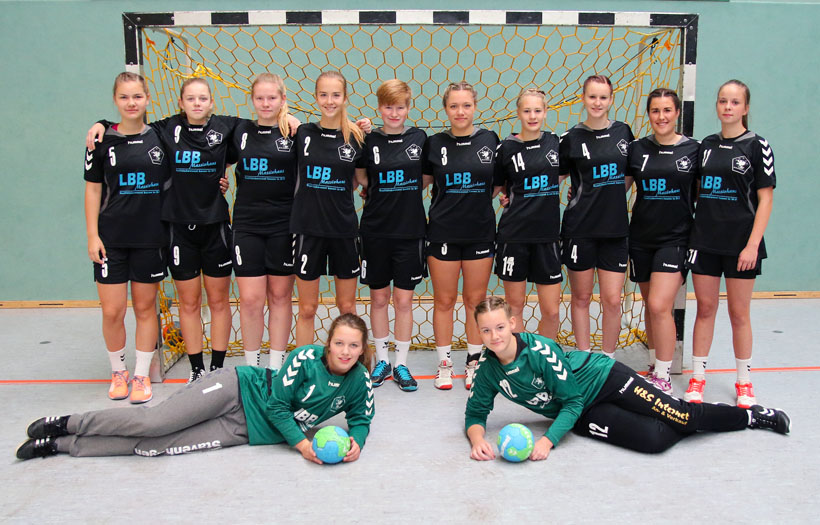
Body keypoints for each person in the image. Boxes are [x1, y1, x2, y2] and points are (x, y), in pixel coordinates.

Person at [16, 314, 375, 463]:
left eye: (353, 346)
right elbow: (278, 408)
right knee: (154, 424)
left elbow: (361, 418)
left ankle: (61, 445)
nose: (345, 352)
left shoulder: (359, 380)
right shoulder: (304, 358)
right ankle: (68, 423)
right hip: (238, 389)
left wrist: (356, 441)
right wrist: (303, 445)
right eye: (339, 343)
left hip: (245, 429)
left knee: (154, 447)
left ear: (362, 350)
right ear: (329, 344)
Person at [465, 297, 789, 461]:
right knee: (653, 441)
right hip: (582, 412)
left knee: (682, 416)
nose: (495, 336)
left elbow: (572, 399)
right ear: (479, 332)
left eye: (500, 327)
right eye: (486, 330)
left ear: (512, 324)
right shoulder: (488, 369)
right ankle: (677, 417)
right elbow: (475, 414)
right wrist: (478, 440)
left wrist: (548, 441)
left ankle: (751, 416)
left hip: (605, 379)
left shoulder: (540, 351)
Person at [88, 78, 241, 383]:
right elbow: (128, 126)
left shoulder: (227, 128)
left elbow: (259, 128)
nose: (197, 103)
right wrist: (101, 123)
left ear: (211, 102)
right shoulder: (163, 130)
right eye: (190, 98)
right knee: (189, 302)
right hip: (178, 230)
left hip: (216, 227)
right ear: (180, 103)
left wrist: (287, 118)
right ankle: (196, 369)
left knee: (219, 301)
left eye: (203, 98)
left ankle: (217, 367)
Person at [685, 80, 776, 408]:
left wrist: (752, 245)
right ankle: (698, 378)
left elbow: (766, 200)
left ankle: (744, 382)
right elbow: (694, 190)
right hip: (705, 241)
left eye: (735, 102)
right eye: (723, 101)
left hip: (741, 245)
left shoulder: (757, 145)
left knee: (739, 313)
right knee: (705, 309)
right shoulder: (706, 146)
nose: (728, 107)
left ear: (745, 108)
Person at [83, 72, 169, 404]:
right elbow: (93, 190)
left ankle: (141, 375)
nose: (131, 103)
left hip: (150, 237)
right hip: (111, 239)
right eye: (124, 97)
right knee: (112, 311)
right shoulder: (101, 141)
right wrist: (93, 235)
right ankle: (118, 372)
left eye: (137, 96)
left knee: (146, 308)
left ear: (147, 98)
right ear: (115, 100)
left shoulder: (160, 135)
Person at [423, 81, 504, 391]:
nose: (460, 111)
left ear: (475, 107)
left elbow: (499, 183)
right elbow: (421, 182)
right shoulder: (434, 143)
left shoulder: (489, 140)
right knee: (444, 300)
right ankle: (444, 364)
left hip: (479, 233)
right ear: (445, 109)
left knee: (475, 301)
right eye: (454, 106)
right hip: (443, 231)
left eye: (466, 105)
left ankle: (473, 362)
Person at [625, 88, 699, 394]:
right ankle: (655, 364)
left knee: (659, 305)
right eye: (655, 110)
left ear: (677, 113)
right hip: (641, 238)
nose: (661, 116)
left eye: (667, 110)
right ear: (649, 114)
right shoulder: (637, 149)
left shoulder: (693, 150)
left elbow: (704, 194)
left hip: (676, 240)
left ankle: (664, 376)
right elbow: (617, 188)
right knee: (649, 305)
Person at [355, 79, 427, 391]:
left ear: (408, 108)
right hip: (375, 230)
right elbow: (361, 177)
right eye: (388, 107)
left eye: (400, 107)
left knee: (404, 300)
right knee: (379, 298)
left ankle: (401, 364)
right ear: (379, 108)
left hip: (410, 231)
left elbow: (426, 177)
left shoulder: (420, 138)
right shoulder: (368, 140)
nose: (394, 113)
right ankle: (382, 360)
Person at [559, 75, 634, 358]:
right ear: (583, 98)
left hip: (615, 230)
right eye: (592, 96)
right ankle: (583, 357)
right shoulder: (570, 138)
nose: (598, 102)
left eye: (603, 97)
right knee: (581, 297)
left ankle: (607, 359)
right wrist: (509, 193)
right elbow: (553, 177)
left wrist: (610, 194)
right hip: (580, 229)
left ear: (611, 99)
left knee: (612, 300)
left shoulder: (624, 132)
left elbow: (630, 173)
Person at [227, 74, 298, 371]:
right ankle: (253, 369)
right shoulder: (239, 130)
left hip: (284, 225)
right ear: (252, 100)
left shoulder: (296, 133)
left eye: (272, 97)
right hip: (247, 226)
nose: (266, 103)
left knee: (280, 297)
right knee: (251, 300)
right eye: (260, 98)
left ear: (283, 99)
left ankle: (275, 368)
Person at [291, 71, 366, 349]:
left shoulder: (357, 137)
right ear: (316, 97)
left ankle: (353, 363)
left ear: (345, 98)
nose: (329, 100)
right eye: (323, 94)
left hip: (343, 230)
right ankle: (302, 364)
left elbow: (363, 181)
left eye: (336, 95)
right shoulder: (302, 133)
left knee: (347, 307)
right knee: (307, 308)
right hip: (308, 229)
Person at [494, 88, 563, 339]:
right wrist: (504, 196)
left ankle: (545, 356)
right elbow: (499, 186)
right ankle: (521, 358)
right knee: (515, 307)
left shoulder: (555, 143)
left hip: (547, 237)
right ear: (518, 113)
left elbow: (573, 172)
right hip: (515, 235)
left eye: (537, 110)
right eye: (526, 111)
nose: (532, 116)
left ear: (545, 112)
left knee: (551, 311)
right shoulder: (506, 148)